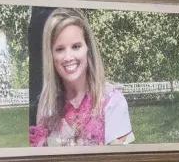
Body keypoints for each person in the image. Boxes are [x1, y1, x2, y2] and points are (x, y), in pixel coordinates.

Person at [29, 9, 135, 148]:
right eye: (60, 49)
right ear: (51, 56)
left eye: (76, 47)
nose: (68, 57)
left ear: (88, 49)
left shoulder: (112, 101)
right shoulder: (47, 104)